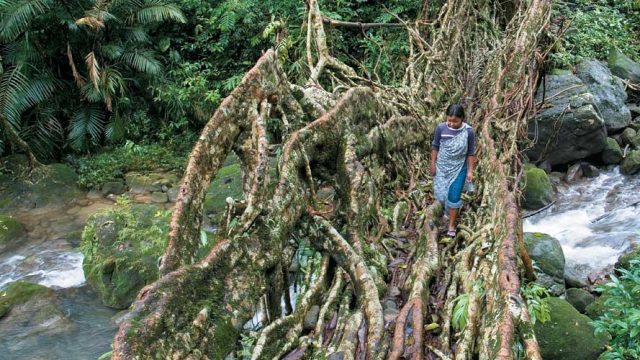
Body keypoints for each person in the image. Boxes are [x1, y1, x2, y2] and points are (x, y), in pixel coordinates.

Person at [429, 103, 475, 237]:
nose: (452, 123)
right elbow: (435, 146)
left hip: (459, 167)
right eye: (449, 120)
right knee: (442, 194)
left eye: (455, 121)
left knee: (454, 196)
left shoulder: (469, 132)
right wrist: (433, 163)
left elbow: (471, 153)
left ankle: (451, 225)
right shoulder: (440, 128)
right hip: (442, 167)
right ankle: (445, 214)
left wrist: (470, 171)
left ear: (462, 119)